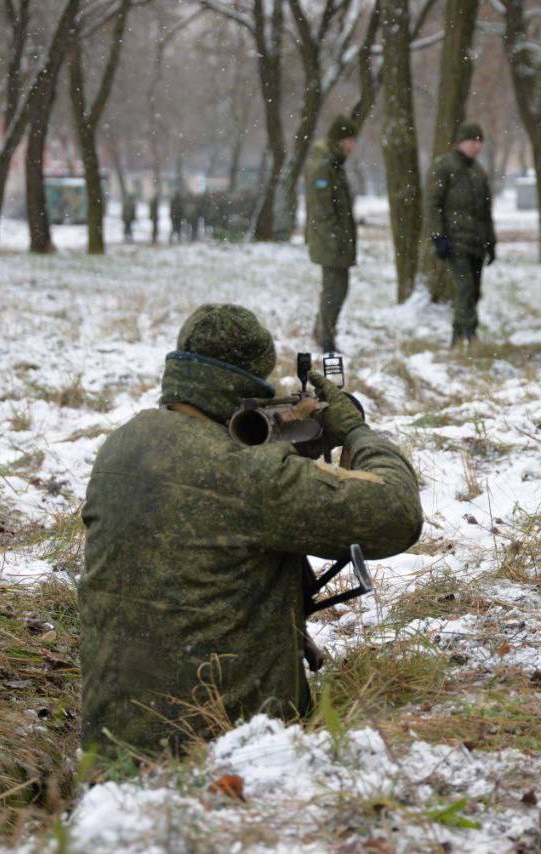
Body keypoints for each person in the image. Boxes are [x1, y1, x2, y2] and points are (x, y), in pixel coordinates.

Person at [79, 304, 423, 757]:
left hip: (111, 742)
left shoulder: (122, 444)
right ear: (251, 380)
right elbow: (397, 513)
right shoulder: (245, 473)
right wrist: (356, 432)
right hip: (223, 751)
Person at [426, 121, 496, 347]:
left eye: (479, 142)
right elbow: (432, 204)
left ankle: (459, 334)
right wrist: (438, 236)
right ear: (461, 142)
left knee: (474, 290)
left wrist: (491, 241)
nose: (476, 146)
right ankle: (468, 336)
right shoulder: (444, 167)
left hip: (476, 241)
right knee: (464, 287)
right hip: (454, 240)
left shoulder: (479, 172)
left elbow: (486, 212)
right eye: (472, 141)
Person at [304, 115, 359, 353]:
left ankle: (323, 331)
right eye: (349, 139)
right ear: (339, 140)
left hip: (337, 239)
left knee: (339, 287)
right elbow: (322, 210)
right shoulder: (323, 166)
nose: (352, 145)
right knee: (334, 289)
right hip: (329, 240)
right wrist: (335, 239)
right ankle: (325, 337)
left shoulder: (334, 164)